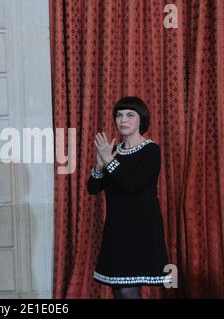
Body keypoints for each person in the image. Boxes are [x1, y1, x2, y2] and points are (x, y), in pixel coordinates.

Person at [87, 96, 171, 299]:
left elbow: (132, 185)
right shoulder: (113, 151)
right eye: (119, 115)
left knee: (128, 288)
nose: (123, 119)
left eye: (130, 115)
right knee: (117, 288)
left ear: (141, 120)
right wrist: (100, 165)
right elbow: (93, 188)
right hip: (116, 228)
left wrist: (109, 161)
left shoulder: (151, 150)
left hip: (140, 227)